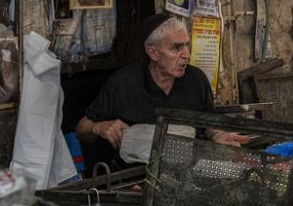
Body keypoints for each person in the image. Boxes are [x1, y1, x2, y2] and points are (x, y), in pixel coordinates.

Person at [76, 13, 248, 149]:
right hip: (135, 176)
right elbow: (81, 130)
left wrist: (218, 135)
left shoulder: (196, 79)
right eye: (176, 47)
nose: (186, 55)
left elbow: (208, 123)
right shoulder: (123, 82)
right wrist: (98, 127)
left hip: (184, 170)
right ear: (153, 53)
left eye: (187, 45)